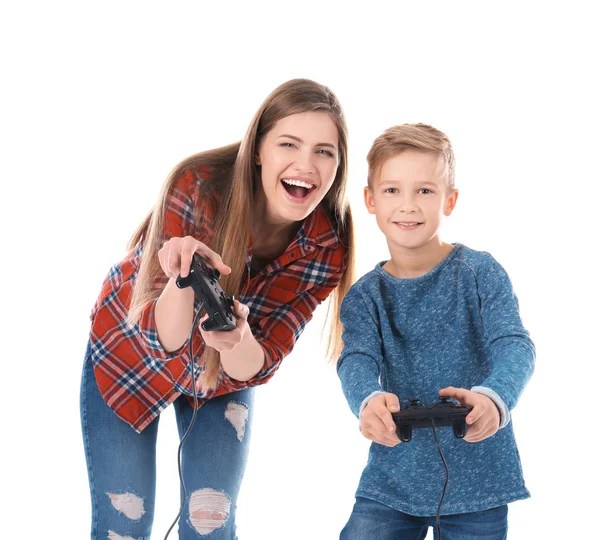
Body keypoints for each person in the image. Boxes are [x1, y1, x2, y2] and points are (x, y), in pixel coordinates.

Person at [80, 78, 355, 539]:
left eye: (324, 151)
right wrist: (184, 281)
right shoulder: (199, 185)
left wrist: (239, 339)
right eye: (289, 143)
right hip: (130, 358)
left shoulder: (328, 245)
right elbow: (163, 340)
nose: (306, 165)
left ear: (339, 164)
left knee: (211, 520)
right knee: (122, 524)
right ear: (259, 150)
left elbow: (257, 364)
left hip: (222, 378)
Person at [337, 123, 535, 540]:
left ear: (450, 200)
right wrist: (367, 402)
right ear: (371, 200)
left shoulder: (480, 272)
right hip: (393, 479)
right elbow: (356, 359)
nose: (407, 205)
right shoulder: (364, 297)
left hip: (480, 480)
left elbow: (515, 344)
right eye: (392, 190)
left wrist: (494, 398)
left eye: (424, 191)